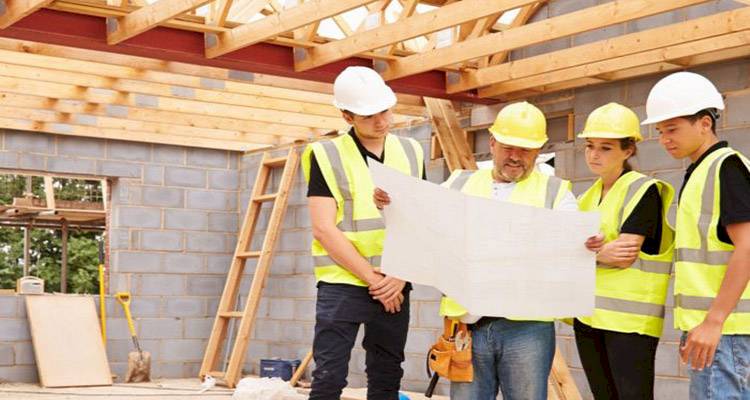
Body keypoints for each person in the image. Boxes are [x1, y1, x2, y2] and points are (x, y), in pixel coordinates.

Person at [375, 101, 577, 400]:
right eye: (509, 147)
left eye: (526, 150)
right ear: (492, 143)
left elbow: (571, 242)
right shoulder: (459, 183)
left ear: (538, 151)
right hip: (468, 326)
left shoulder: (556, 192)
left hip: (526, 329)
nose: (516, 157)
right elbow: (423, 225)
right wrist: (391, 207)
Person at [302, 66, 425, 400]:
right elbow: (324, 228)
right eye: (370, 115)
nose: (381, 121)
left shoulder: (412, 152)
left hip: (395, 281)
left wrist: (398, 276)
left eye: (385, 110)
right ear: (346, 115)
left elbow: (420, 220)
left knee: (387, 378)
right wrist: (375, 280)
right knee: (329, 379)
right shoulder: (325, 155)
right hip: (344, 282)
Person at [642, 71, 750, 399]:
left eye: (672, 129)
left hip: (727, 332)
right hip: (713, 332)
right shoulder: (701, 170)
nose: (664, 139)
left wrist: (714, 322)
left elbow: (748, 245)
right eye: (660, 131)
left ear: (705, 123)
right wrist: (696, 327)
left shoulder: (726, 168)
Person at [575, 102, 675, 400]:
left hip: (629, 324)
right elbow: (565, 252)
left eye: (605, 148)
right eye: (590, 146)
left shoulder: (644, 191)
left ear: (628, 150)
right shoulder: (586, 197)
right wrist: (597, 253)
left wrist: (586, 252)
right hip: (588, 319)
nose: (594, 154)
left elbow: (623, 255)